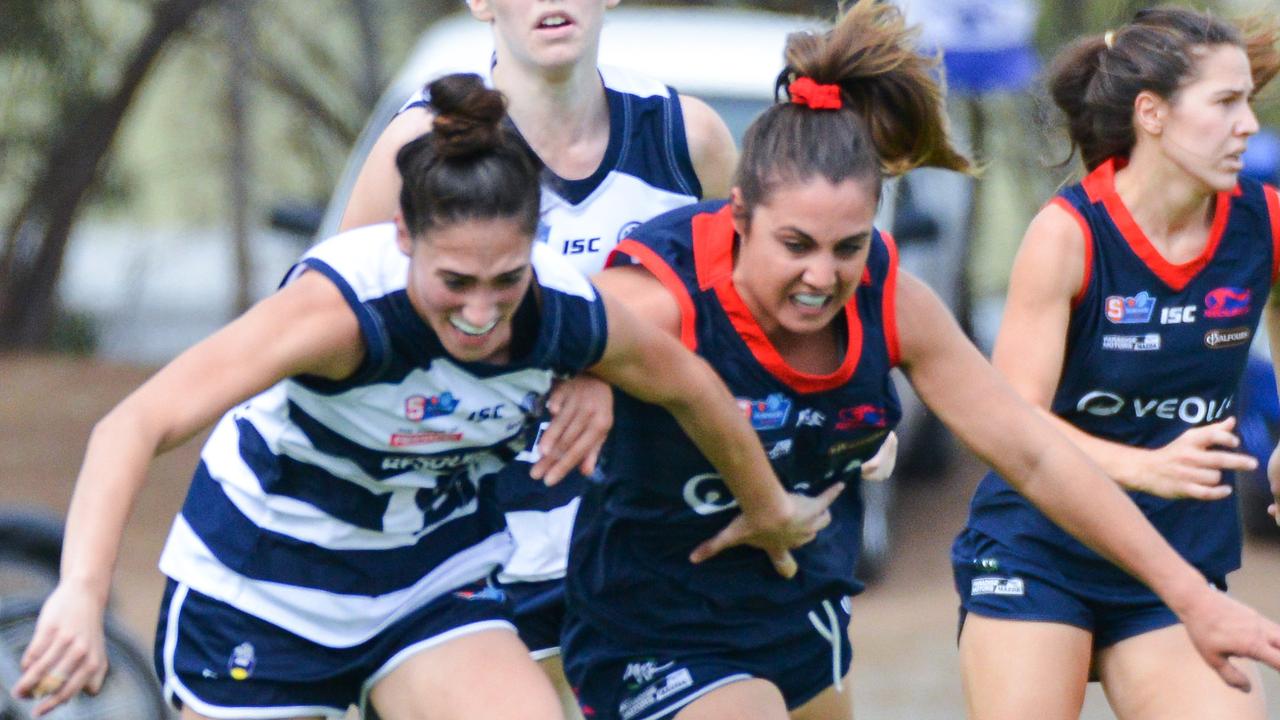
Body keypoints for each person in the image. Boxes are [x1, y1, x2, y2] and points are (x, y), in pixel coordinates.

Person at [9, 75, 836, 720]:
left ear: (532, 252)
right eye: (454, 282)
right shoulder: (336, 316)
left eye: (505, 280)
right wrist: (80, 592)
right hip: (263, 588)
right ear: (402, 239)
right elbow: (135, 422)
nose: (481, 314)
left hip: (427, 578)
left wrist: (767, 506)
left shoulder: (560, 312)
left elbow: (690, 385)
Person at [557, 2, 1280, 719]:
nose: (821, 278)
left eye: (849, 247)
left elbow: (1030, 453)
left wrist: (1193, 597)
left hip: (788, 606)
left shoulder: (892, 301)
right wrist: (587, 363)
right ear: (738, 215)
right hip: (651, 623)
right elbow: (509, 329)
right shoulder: (653, 301)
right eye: (796, 245)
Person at [337, 1, 760, 708]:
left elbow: (744, 310)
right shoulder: (419, 145)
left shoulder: (687, 137)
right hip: (467, 545)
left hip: (642, 540)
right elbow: (345, 334)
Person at [951, 7, 1280, 720]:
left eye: (1248, 103)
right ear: (1152, 113)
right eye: (1225, 103)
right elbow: (1011, 423)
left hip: (1175, 565)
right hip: (1037, 556)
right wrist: (1142, 466)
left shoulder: (1265, 221)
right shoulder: (1068, 235)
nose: (1247, 125)